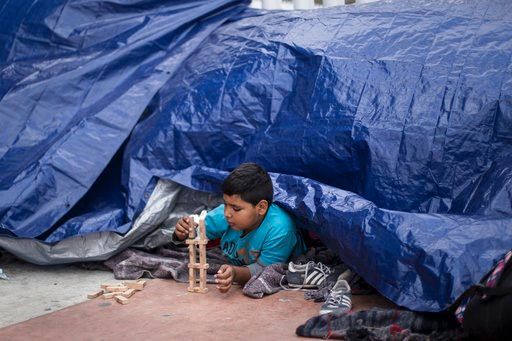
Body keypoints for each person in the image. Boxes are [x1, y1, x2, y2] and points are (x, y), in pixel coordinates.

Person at [173, 162, 306, 293]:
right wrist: (182, 232)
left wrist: (235, 273)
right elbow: (195, 235)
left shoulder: (280, 230)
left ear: (261, 207)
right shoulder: (225, 215)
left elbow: (265, 271)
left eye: (236, 208)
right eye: (225, 204)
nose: (227, 213)